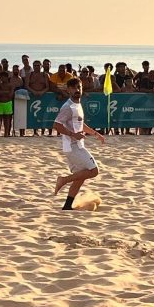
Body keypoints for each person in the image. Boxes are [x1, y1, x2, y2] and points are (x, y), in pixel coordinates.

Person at [53, 78, 105, 210]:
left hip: (76, 145)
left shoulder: (77, 104)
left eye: (79, 87)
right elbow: (56, 125)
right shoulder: (67, 106)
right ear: (68, 90)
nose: (77, 90)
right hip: (72, 146)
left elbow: (81, 124)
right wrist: (72, 134)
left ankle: (67, 206)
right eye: (74, 88)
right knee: (94, 171)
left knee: (79, 179)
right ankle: (63, 180)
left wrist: (95, 134)